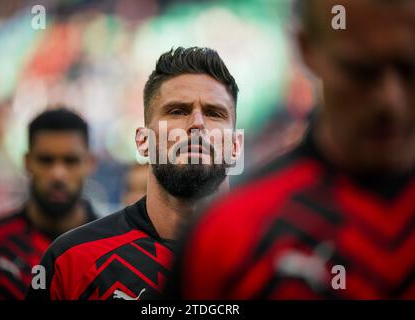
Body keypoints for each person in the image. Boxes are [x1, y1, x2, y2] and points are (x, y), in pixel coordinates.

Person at [168, 0, 415, 299]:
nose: (390, 101)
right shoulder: (229, 234)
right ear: (306, 49)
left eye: (408, 68)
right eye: (361, 72)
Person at [25, 47, 242, 300]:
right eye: (177, 111)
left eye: (214, 113)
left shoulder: (275, 257)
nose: (198, 123)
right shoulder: (71, 261)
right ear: (142, 142)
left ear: (235, 146)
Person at [0, 108, 98, 299]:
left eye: (70, 161)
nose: (58, 174)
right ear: (27, 162)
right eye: (46, 160)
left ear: (90, 163)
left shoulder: (117, 252)